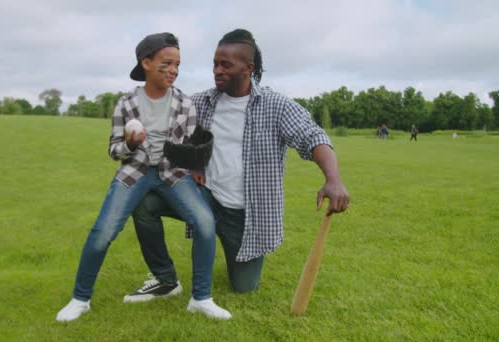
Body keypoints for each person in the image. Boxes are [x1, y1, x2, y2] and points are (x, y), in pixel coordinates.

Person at [123, 29, 350, 300]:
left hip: (245, 215)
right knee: (143, 202)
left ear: (248, 69)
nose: (217, 70)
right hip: (205, 199)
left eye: (226, 65)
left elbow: (312, 136)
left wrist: (333, 179)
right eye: (215, 64)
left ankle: (234, 257)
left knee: (244, 287)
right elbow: (175, 134)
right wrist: (191, 164)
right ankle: (165, 278)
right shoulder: (201, 102)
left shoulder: (276, 106)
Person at [56, 32, 231, 322]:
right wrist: (131, 144)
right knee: (103, 232)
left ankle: (201, 298)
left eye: (177, 64)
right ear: (146, 63)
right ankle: (80, 299)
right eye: (167, 63)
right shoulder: (126, 103)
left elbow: (186, 148)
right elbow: (114, 150)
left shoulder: (185, 104)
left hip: (173, 173)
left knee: (204, 222)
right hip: (133, 173)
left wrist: (196, 162)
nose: (173, 70)